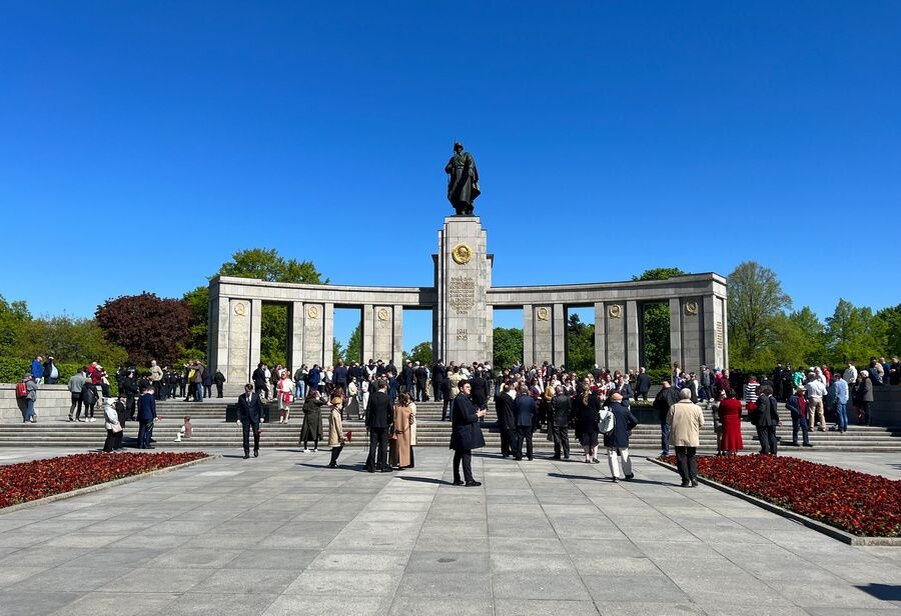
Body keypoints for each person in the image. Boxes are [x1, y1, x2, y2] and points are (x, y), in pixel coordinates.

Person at [449, 380, 486, 486]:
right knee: (466, 455)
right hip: (463, 432)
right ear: (461, 388)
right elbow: (466, 417)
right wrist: (478, 415)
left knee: (459, 455)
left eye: (470, 387)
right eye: (467, 387)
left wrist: (476, 411)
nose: (470, 389)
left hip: (461, 431)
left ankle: (457, 478)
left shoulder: (464, 398)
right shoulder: (460, 399)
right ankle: (468, 479)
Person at [667, 388, 705, 487]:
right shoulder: (697, 408)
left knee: (680, 457)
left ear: (680, 396)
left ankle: (685, 479)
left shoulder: (674, 407)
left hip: (678, 435)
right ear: (690, 396)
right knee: (691, 457)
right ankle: (693, 477)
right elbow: (702, 423)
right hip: (692, 435)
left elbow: (668, 421)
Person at [604, 393, 639, 482]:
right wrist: (627, 428)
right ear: (619, 400)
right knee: (624, 454)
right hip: (622, 434)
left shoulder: (607, 409)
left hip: (609, 434)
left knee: (612, 455)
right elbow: (635, 421)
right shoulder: (624, 410)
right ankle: (628, 474)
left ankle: (615, 476)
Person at [365, 379, 393, 472]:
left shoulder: (372, 397)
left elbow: (368, 411)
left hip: (373, 424)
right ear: (385, 387)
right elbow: (391, 411)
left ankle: (372, 466)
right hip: (384, 424)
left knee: (373, 445)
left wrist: (367, 423)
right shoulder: (387, 397)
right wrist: (390, 421)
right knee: (383, 446)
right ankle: (383, 465)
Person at [445, 141, 480, 215]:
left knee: (463, 193)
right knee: (453, 193)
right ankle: (458, 210)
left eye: (460, 147)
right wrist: (449, 167)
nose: (458, 149)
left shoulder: (466, 154)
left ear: (462, 148)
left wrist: (470, 169)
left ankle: (463, 210)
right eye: (457, 147)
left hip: (464, 175)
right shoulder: (452, 158)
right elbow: (446, 169)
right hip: (455, 177)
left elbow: (471, 162)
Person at [573, 377, 603, 464]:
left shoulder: (578, 398)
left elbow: (575, 410)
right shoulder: (594, 397)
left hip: (583, 421)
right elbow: (599, 408)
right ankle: (595, 457)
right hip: (593, 421)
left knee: (585, 440)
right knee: (595, 440)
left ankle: (587, 457)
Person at [653, 381, 679, 457]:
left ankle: (666, 450)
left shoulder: (661, 393)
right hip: (675, 415)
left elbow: (656, 404)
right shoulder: (675, 392)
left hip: (664, 416)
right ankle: (678, 449)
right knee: (676, 433)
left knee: (665, 433)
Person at [237, 384, 264, 459]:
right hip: (245, 418)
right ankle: (246, 452)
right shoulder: (241, 397)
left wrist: (261, 416)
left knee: (256, 434)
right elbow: (239, 408)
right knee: (245, 435)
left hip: (255, 418)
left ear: (251, 390)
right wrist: (238, 419)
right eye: (246, 391)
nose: (247, 392)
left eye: (249, 391)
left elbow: (260, 406)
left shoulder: (256, 396)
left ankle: (256, 448)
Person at [752, 384, 780, 455]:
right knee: (765, 436)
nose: (755, 392)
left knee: (763, 436)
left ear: (759, 390)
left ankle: (765, 450)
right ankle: (765, 449)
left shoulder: (762, 398)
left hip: (762, 421)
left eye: (756, 390)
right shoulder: (765, 398)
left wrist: (753, 409)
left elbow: (761, 409)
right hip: (766, 420)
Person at [512, 384, 537, 460]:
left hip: (519, 420)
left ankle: (518, 455)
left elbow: (514, 410)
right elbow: (535, 411)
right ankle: (530, 455)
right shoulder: (531, 399)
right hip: (528, 421)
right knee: (529, 439)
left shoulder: (517, 399)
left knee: (520, 439)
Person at [392, 392, 415, 469]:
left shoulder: (396, 408)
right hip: (406, 430)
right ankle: (404, 463)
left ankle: (395, 462)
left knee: (396, 448)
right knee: (405, 448)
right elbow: (411, 421)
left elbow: (394, 419)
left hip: (397, 430)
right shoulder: (409, 409)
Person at [717, 389, 744, 455]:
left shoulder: (723, 402)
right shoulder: (737, 402)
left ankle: (728, 448)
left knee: (727, 435)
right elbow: (740, 412)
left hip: (727, 419)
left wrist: (721, 418)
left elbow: (720, 412)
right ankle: (735, 448)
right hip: (735, 419)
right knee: (736, 434)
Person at [549, 386, 571, 460]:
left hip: (556, 420)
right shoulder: (567, 398)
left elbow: (552, 410)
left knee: (557, 438)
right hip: (564, 420)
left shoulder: (555, 398)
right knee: (565, 438)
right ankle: (567, 454)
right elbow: (569, 409)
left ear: (557, 391)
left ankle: (557, 454)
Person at [327, 396, 346, 468]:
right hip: (336, 434)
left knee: (337, 447)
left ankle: (333, 461)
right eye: (341, 404)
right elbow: (338, 426)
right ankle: (333, 462)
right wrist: (341, 436)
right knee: (336, 448)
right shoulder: (335, 413)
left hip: (335, 433)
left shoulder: (335, 412)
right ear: (337, 405)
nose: (342, 406)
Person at [137, 385, 157, 449]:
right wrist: (155, 416)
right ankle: (147, 444)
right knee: (149, 430)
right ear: (152, 390)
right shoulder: (151, 397)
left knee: (142, 431)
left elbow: (139, 407)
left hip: (142, 416)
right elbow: (152, 408)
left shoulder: (142, 397)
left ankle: (140, 444)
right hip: (149, 416)